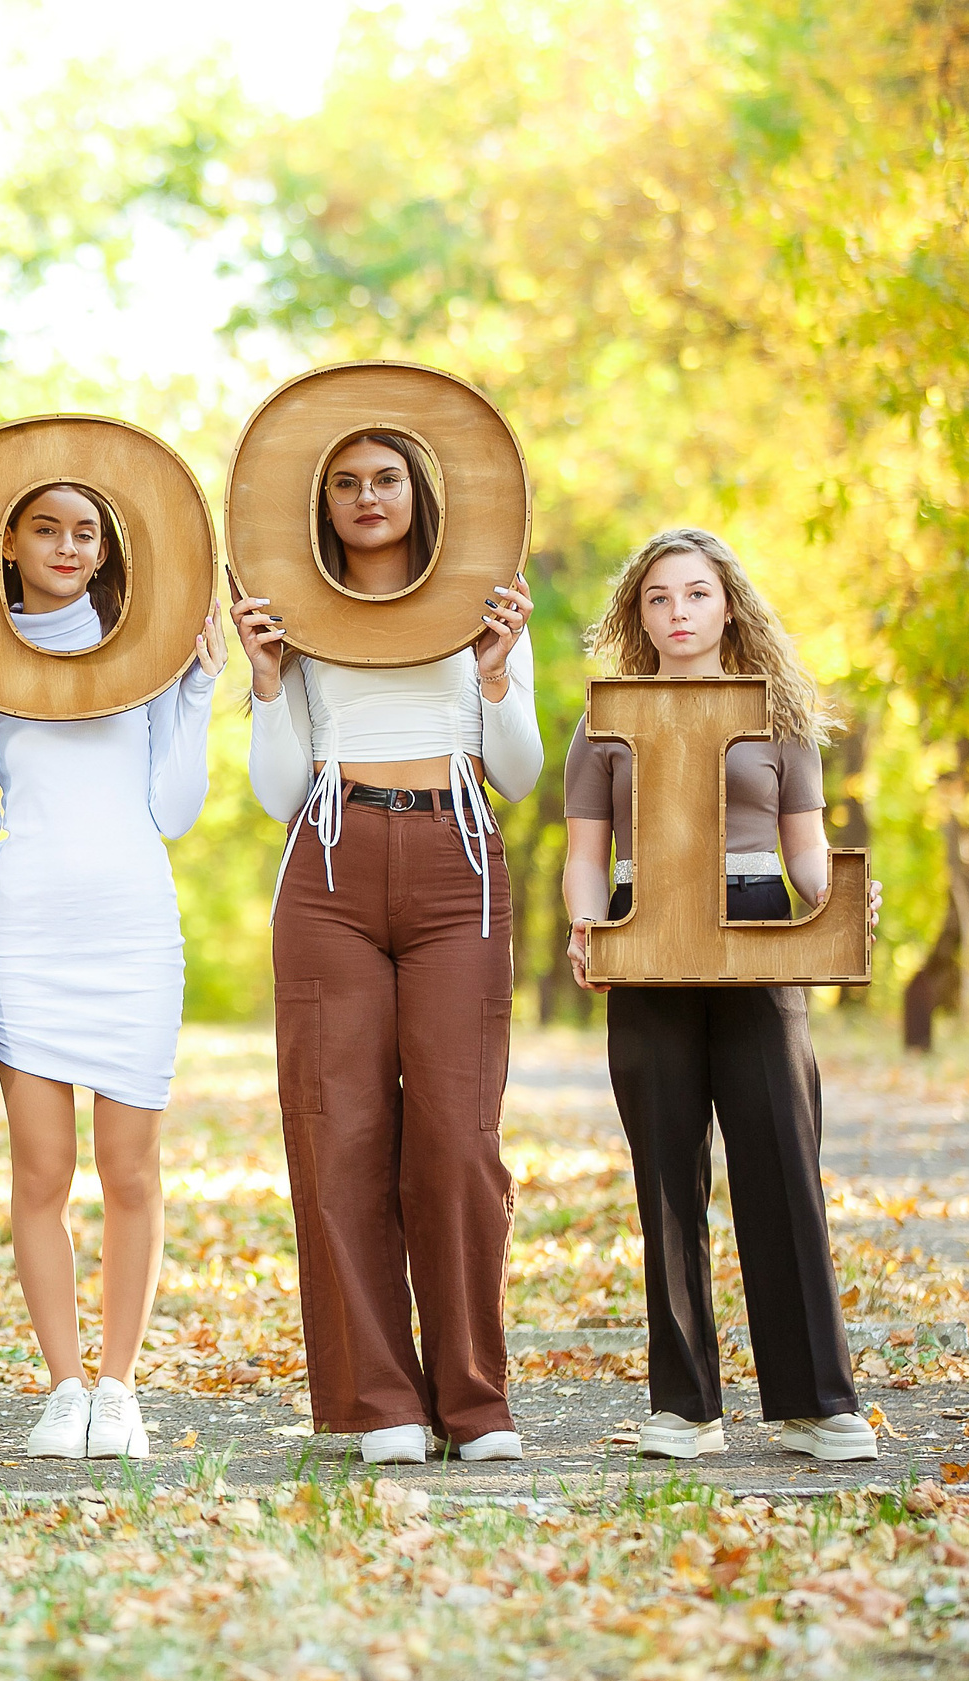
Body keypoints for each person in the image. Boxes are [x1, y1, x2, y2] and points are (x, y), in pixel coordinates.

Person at [235, 430, 539, 1466]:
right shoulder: (296, 614)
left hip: (457, 863)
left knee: (457, 1138)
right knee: (342, 1134)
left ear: (420, 491)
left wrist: (495, 679)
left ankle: (474, 1399)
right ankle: (381, 1402)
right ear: (322, 504)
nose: (367, 496)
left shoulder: (483, 604)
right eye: (344, 482)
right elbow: (279, 792)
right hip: (329, 866)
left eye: (385, 478)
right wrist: (270, 683)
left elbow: (523, 772)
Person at [561, 526, 882, 1464]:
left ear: (727, 604)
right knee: (666, 1168)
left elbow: (807, 851)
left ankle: (817, 1402)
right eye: (659, 598)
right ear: (639, 615)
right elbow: (586, 854)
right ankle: (684, 1406)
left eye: (695, 594)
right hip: (647, 929)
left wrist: (841, 901)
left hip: (755, 933)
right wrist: (590, 926)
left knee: (781, 1157)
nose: (679, 613)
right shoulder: (606, 719)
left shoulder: (777, 712)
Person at [0, 483, 219, 1460]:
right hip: (29, 936)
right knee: (41, 1170)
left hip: (134, 935)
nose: (63, 545)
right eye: (43, 527)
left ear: (105, 550)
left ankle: (119, 1388)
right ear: (7, 539)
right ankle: (61, 1387)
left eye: (83, 531)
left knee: (129, 1170)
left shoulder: (150, 641)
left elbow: (173, 811)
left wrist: (197, 689)